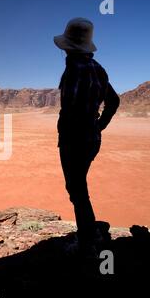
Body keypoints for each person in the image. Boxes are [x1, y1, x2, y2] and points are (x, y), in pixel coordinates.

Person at [53, 18, 120, 254]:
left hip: (74, 139)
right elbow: (114, 101)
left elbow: (72, 109)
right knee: (79, 187)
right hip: (91, 138)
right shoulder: (98, 69)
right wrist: (99, 125)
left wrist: (69, 131)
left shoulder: (74, 70)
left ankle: (87, 243)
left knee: (77, 190)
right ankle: (88, 237)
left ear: (69, 47)